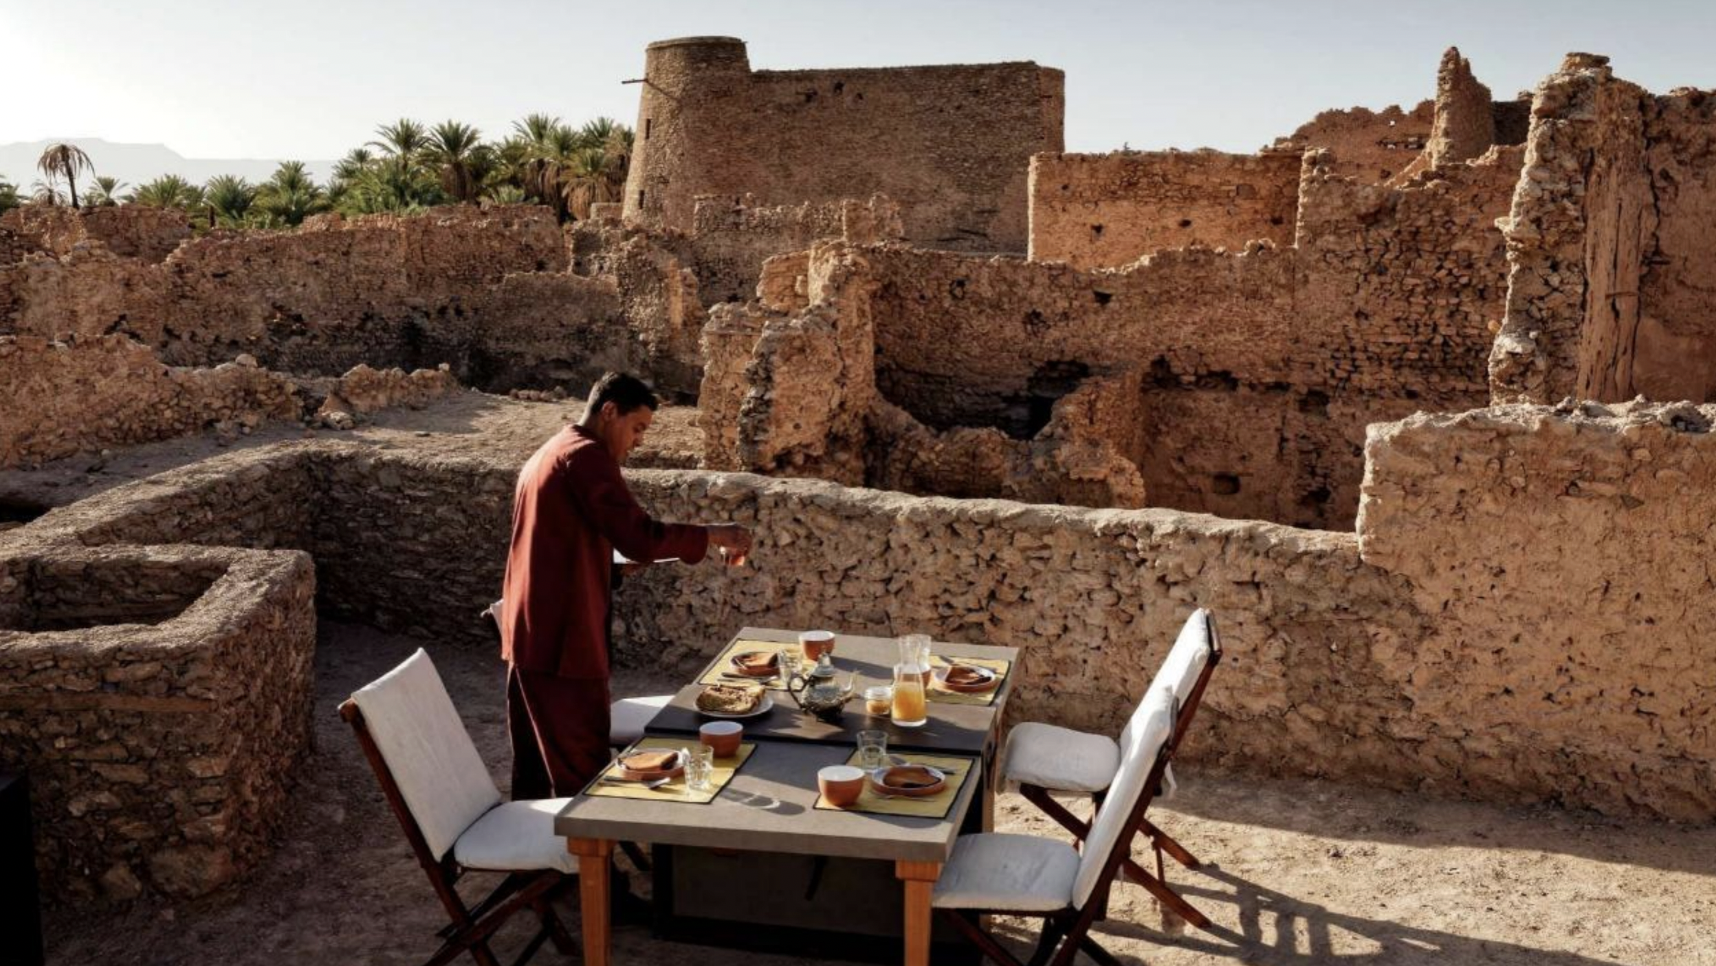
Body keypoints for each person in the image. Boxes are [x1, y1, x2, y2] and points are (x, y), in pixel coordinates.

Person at [499, 372, 752, 802]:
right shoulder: (585, 456)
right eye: (637, 429)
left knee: (543, 768)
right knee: (581, 771)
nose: (638, 442)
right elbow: (638, 536)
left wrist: (611, 569)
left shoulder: (553, 449)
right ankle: (588, 867)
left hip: (533, 633)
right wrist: (714, 533)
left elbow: (560, 546)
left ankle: (545, 866)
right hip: (562, 641)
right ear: (609, 411)